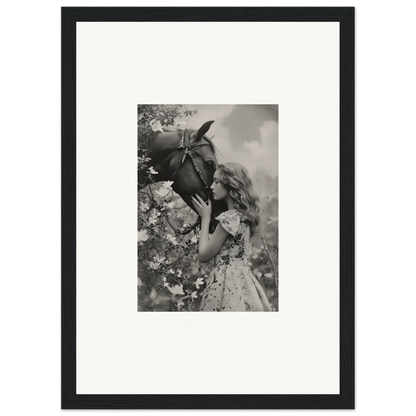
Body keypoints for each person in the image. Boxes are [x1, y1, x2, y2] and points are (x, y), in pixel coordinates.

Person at [191, 162, 273, 311]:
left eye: (217, 182)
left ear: (231, 185)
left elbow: (203, 256)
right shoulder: (245, 217)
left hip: (225, 282)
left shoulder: (228, 219)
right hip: (243, 281)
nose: (211, 186)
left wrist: (205, 218)